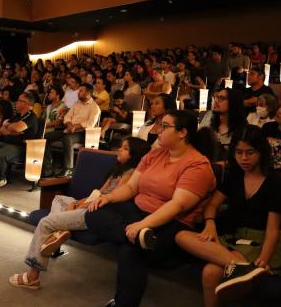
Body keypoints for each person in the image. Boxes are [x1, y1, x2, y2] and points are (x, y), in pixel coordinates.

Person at [85, 110, 216, 307]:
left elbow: (177, 205)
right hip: (139, 213)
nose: (158, 131)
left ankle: (124, 302)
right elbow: (131, 188)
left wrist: (143, 224)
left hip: (172, 223)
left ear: (182, 133)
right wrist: (108, 198)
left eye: (164, 127)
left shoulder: (197, 164)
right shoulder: (155, 154)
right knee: (94, 212)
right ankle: (139, 237)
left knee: (131, 250)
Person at [9, 137, 151, 290]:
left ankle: (32, 277)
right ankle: (61, 231)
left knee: (46, 222)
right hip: (92, 202)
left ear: (135, 155)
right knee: (60, 199)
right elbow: (98, 192)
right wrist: (77, 202)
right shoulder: (117, 170)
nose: (119, 150)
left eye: (124, 148)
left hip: (98, 211)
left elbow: (110, 199)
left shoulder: (131, 173)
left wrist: (83, 205)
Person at [175, 125, 281, 307]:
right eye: (238, 152)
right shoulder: (234, 176)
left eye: (250, 152)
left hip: (261, 241)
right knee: (181, 236)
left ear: (261, 151)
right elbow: (212, 204)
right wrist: (210, 223)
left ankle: (250, 269)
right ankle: (244, 268)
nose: (243, 158)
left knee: (210, 272)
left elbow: (273, 230)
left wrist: (264, 261)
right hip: (234, 238)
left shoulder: (275, 182)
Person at [0, 92, 39, 192]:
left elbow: (16, 127)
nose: (16, 103)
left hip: (22, 147)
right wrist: (11, 130)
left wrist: (9, 127)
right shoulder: (17, 116)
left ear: (27, 103)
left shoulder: (31, 117)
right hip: (8, 143)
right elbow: (2, 129)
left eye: (19, 101)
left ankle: (1, 178)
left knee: (0, 154)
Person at [43, 84, 101, 176]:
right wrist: (69, 124)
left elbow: (90, 124)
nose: (78, 92)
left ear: (88, 93)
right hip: (69, 129)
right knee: (45, 137)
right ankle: (48, 169)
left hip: (83, 133)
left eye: (81, 91)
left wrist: (75, 126)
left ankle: (68, 169)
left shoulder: (95, 107)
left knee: (67, 139)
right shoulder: (76, 104)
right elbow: (67, 116)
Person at [199, 88, 246, 162]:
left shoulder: (243, 129)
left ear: (233, 102)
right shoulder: (209, 117)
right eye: (216, 98)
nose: (216, 101)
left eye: (221, 98)